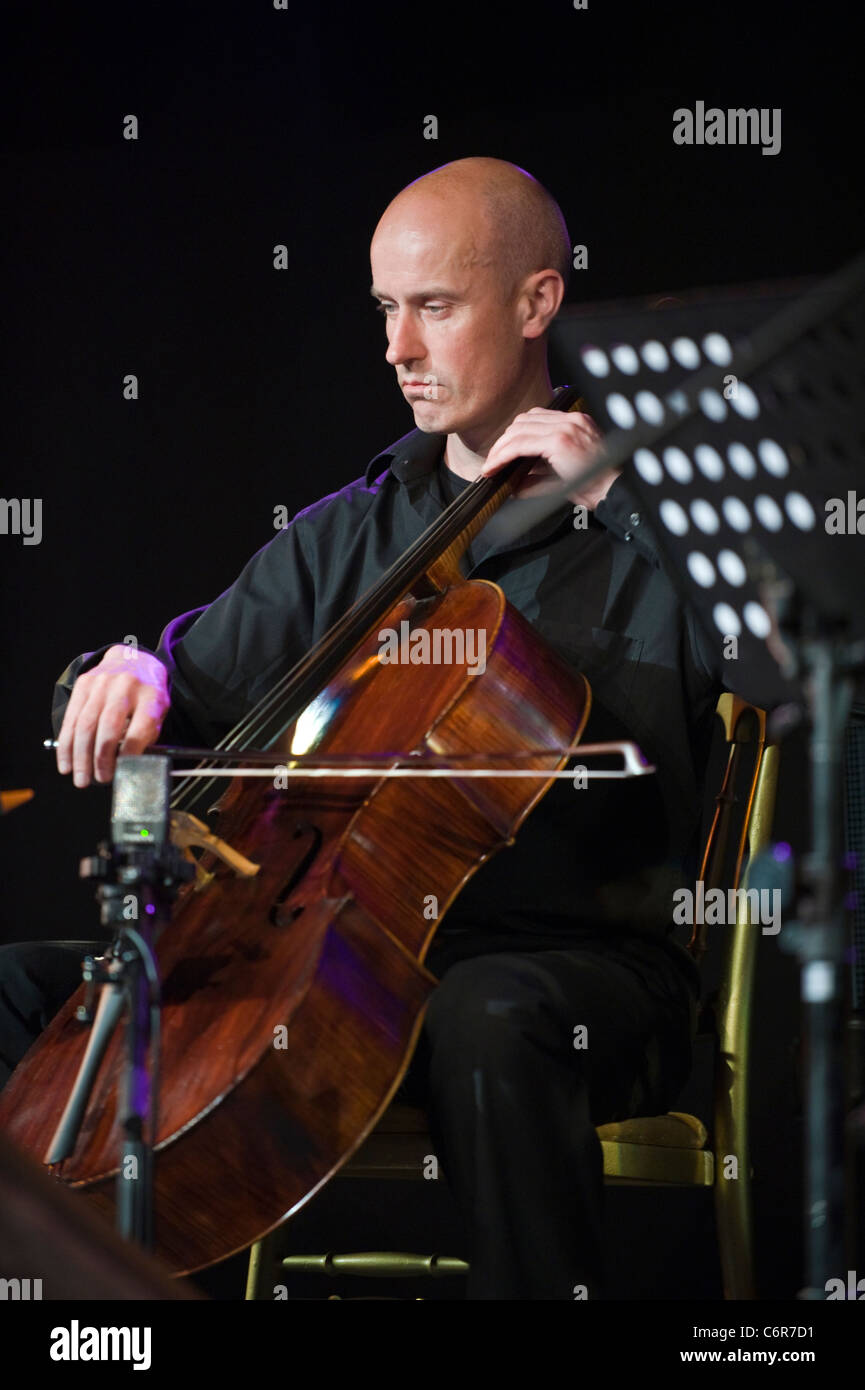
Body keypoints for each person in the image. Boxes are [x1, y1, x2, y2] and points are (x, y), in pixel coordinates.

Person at [1, 157, 741, 1299]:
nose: (397, 348)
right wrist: (123, 672)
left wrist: (622, 501)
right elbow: (178, 688)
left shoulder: (661, 524)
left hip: (575, 975)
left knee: (488, 1018)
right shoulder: (355, 531)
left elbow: (787, 667)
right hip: (329, 967)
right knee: (12, 990)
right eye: (386, 310)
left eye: (434, 308)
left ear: (537, 303)